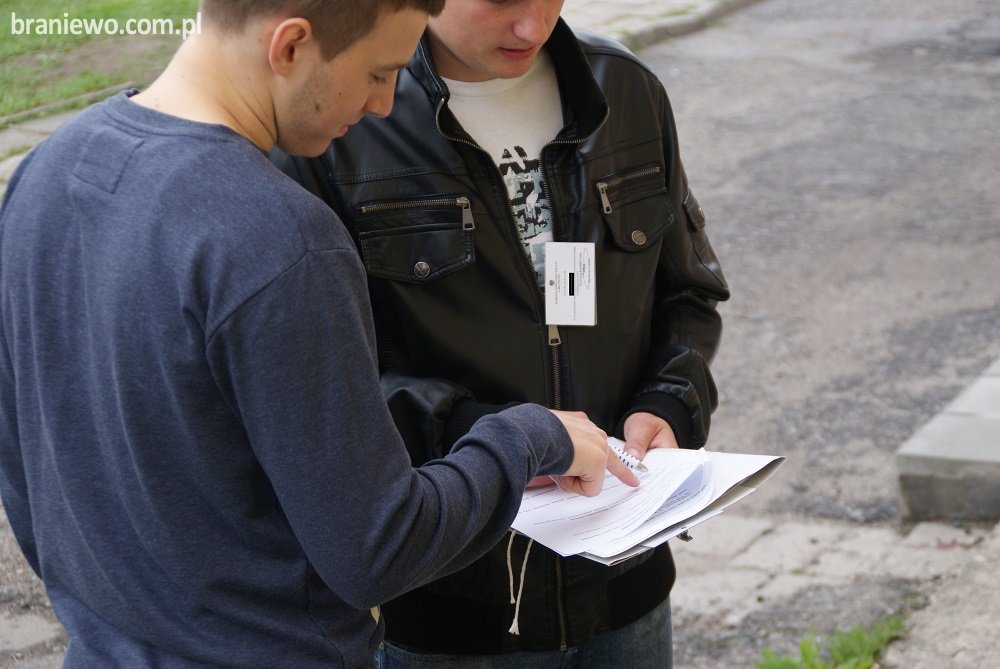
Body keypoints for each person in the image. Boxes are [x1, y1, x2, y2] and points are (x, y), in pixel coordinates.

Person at [0, 1, 638, 667]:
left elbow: (25, 476)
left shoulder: (46, 171)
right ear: (290, 47)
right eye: (378, 72)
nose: (384, 104)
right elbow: (379, 549)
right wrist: (530, 437)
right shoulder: (282, 238)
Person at [274, 0, 731, 666]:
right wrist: (499, 440)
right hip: (451, 606)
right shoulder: (347, 114)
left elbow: (688, 290)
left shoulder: (624, 89)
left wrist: (668, 401)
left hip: (626, 588)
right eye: (499, 1)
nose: (531, 26)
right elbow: (317, 377)